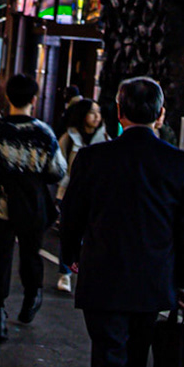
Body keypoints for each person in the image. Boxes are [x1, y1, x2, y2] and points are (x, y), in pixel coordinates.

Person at [58, 76, 184, 367]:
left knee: (111, 362)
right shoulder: (179, 163)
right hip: (152, 282)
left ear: (118, 112)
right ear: (160, 115)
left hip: (102, 275)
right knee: (132, 363)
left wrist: (71, 256)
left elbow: (71, 216)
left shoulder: (93, 158)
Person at [0, 74, 65, 341]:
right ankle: (31, 298)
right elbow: (58, 170)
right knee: (30, 253)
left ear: (7, 98)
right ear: (34, 100)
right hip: (32, 205)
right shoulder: (44, 132)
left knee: (0, 258)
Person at [54, 98, 106, 293]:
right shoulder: (69, 137)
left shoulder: (105, 138)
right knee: (69, 231)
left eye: (98, 113)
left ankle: (85, 273)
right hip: (68, 191)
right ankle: (65, 273)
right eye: (93, 112)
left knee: (90, 235)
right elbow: (58, 162)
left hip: (96, 194)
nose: (97, 117)